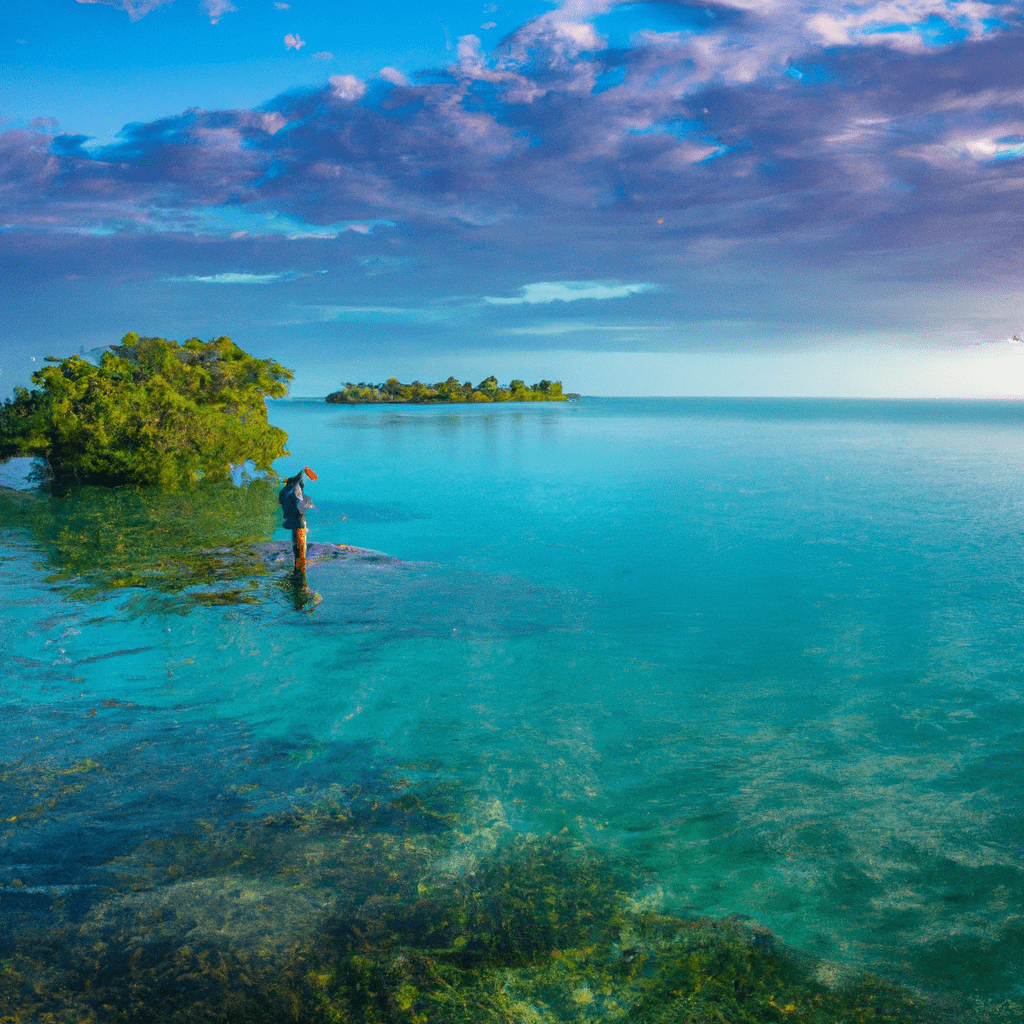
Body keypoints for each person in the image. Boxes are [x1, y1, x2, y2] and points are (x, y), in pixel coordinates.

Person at [279, 468, 315, 572]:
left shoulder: (285, 491)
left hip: (295, 521)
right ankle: (299, 570)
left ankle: (298, 569)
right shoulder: (292, 489)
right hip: (298, 520)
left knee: (297, 550)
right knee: (299, 553)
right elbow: (313, 477)